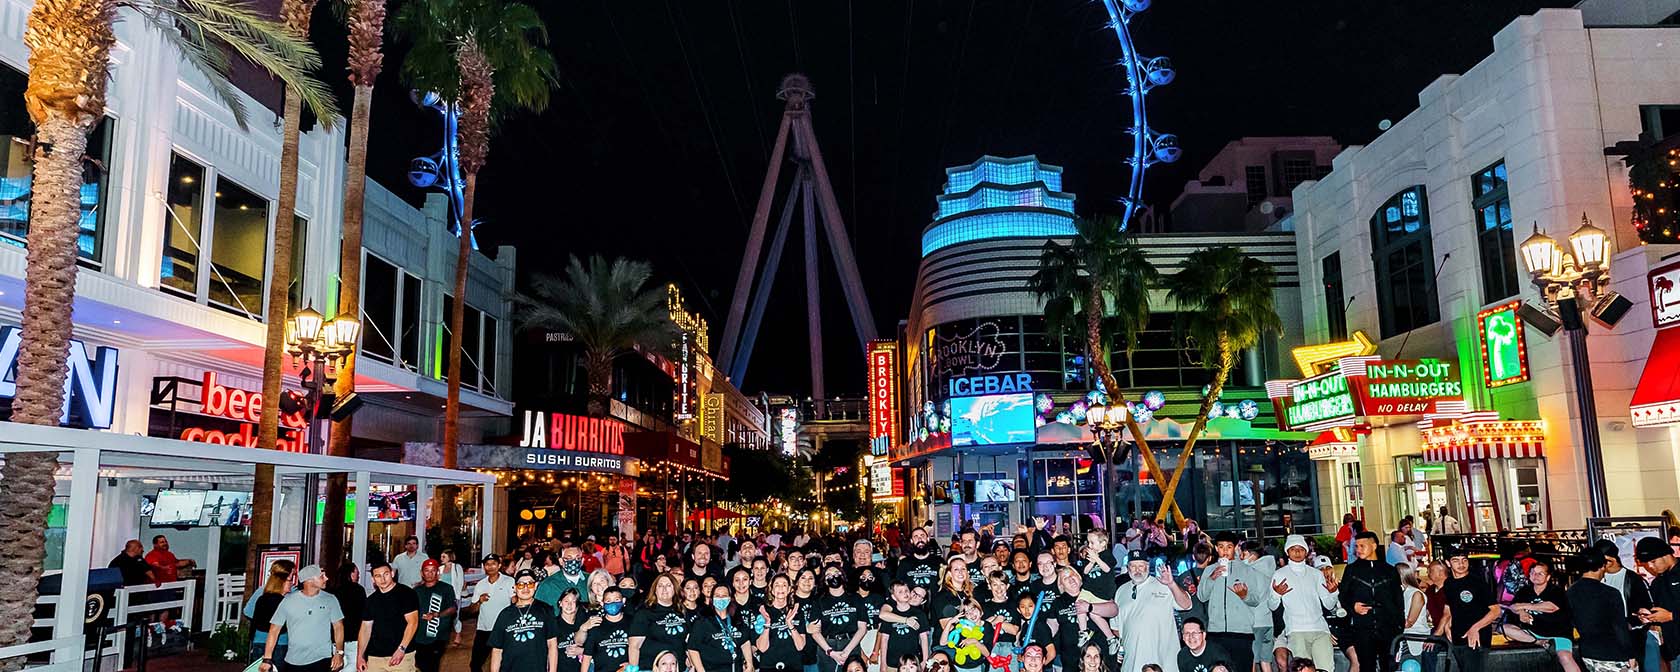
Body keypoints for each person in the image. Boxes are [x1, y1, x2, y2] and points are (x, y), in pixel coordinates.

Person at [1265, 536, 1339, 672]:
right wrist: (1276, 594)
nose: (1297, 552)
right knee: (1303, 670)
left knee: (1326, 669)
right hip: (1296, 631)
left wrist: (1333, 593)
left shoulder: (1316, 574)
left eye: (1301, 549)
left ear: (1306, 552)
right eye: (1293, 549)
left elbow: (1329, 605)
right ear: (1287, 552)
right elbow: (1272, 606)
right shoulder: (1279, 574)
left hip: (1320, 629)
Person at [1112, 550, 1190, 672]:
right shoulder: (1121, 591)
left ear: (1148, 567)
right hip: (1131, 663)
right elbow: (1116, 628)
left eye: (1141, 566)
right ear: (1128, 568)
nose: (1137, 570)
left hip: (1162, 662)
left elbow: (1186, 605)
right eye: (1133, 566)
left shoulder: (1163, 584)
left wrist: (1171, 584)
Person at [260, 565, 345, 672]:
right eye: (322, 576)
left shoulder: (330, 599)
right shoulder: (288, 601)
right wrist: (267, 659)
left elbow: (338, 627)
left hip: (322, 658)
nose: (326, 579)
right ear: (309, 580)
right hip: (293, 660)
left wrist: (339, 653)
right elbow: (274, 630)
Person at [1198, 532, 1262, 672]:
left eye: (1229, 547)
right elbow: (1202, 596)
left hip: (1242, 633)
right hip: (1216, 632)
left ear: (1235, 547)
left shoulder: (1247, 570)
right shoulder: (1209, 569)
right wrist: (1212, 578)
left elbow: (1256, 600)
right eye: (1221, 547)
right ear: (1216, 548)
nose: (1225, 551)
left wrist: (1244, 595)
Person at [1339, 532, 1400, 672]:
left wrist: (1398, 626)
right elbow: (1343, 596)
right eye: (1356, 546)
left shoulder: (1389, 570)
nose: (1358, 549)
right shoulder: (1351, 570)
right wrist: (1352, 607)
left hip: (1387, 628)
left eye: (1362, 546)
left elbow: (1398, 600)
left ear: (1373, 546)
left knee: (1389, 666)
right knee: (1366, 666)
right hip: (1363, 628)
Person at [1500, 561, 1576, 672]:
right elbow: (1513, 607)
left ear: (1548, 576)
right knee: (1504, 628)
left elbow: (1551, 607)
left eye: (1540, 574)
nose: (1536, 576)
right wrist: (1521, 613)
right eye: (1533, 573)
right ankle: (1539, 642)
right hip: (1533, 632)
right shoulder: (1524, 591)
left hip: (1558, 633)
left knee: (1565, 657)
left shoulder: (1556, 591)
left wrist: (1525, 606)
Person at [1569, 550, 1638, 672]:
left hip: (1588, 652)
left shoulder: (1571, 592)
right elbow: (1619, 627)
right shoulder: (1610, 593)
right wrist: (1630, 654)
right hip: (1613, 653)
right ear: (1602, 566)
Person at [1438, 545, 1497, 672]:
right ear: (1448, 563)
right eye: (1456, 560)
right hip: (1457, 637)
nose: (1461, 564)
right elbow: (1449, 606)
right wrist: (1447, 625)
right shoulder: (1448, 583)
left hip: (1477, 639)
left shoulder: (1477, 582)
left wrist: (1475, 628)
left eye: (1464, 560)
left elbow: (1496, 610)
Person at [489, 568, 560, 672]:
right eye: (521, 584)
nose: (525, 588)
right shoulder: (505, 614)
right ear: (515, 588)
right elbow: (497, 650)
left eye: (530, 584)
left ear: (535, 586)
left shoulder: (546, 610)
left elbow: (552, 644)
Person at [360, 560, 420, 672]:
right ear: (373, 579)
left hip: (401, 656)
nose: (382, 579)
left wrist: (401, 649)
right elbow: (365, 629)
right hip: (375, 657)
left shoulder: (407, 594)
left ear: (392, 574)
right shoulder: (371, 600)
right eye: (378, 576)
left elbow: (413, 623)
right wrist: (360, 657)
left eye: (386, 574)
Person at [811, 564, 867, 672]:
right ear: (825, 581)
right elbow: (815, 631)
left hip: (851, 643)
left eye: (836, 573)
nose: (833, 576)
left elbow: (862, 628)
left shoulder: (856, 598)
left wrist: (847, 651)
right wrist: (830, 652)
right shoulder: (819, 601)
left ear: (843, 576)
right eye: (829, 575)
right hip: (827, 646)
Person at [688, 582, 756, 672]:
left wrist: (749, 664)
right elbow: (692, 648)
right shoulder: (702, 622)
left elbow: (745, 641)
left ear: (730, 598)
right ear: (712, 599)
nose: (720, 598)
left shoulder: (737, 619)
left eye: (724, 595)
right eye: (717, 596)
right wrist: (701, 670)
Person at [1636, 536, 1680, 672]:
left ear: (1666, 554)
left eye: (1653, 561)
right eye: (1646, 563)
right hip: (1674, 650)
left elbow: (1669, 615)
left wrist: (1672, 616)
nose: (1650, 566)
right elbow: (1661, 613)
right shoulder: (1657, 583)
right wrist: (1649, 617)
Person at [629, 573, 689, 672]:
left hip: (678, 668)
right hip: (650, 668)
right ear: (655, 590)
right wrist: (633, 669)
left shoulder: (682, 612)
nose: (664, 589)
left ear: (675, 589)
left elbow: (688, 641)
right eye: (660, 586)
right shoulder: (644, 613)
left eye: (668, 585)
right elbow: (634, 646)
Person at [472, 555, 516, 672]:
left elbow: (515, 602)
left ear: (499, 565)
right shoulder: (480, 584)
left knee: (505, 663)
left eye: (493, 564)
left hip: (504, 629)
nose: (490, 567)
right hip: (484, 629)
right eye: (487, 564)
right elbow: (472, 609)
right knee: (475, 664)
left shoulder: (509, 581)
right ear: (484, 567)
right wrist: (479, 601)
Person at [756, 574, 809, 672]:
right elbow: (762, 648)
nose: (780, 588)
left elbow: (800, 646)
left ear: (789, 589)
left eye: (784, 585)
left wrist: (790, 624)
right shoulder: (763, 612)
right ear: (771, 590)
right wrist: (767, 623)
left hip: (793, 666)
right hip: (769, 666)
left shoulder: (796, 612)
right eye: (777, 585)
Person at [412, 559, 457, 672]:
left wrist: (437, 614)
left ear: (437, 572)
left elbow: (453, 608)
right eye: (426, 570)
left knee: (432, 665)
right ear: (422, 573)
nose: (430, 573)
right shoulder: (416, 590)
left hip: (438, 636)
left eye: (433, 571)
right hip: (419, 636)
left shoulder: (446, 588)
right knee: (421, 664)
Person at [248, 559, 297, 662]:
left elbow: (249, 612)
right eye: (291, 576)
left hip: (259, 639)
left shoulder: (263, 592)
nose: (292, 580)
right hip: (280, 640)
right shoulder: (292, 594)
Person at [875, 581, 930, 672]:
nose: (905, 593)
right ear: (893, 597)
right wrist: (883, 664)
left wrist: (925, 660)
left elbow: (924, 638)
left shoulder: (919, 614)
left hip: (912, 663)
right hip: (892, 662)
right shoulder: (890, 614)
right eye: (900, 592)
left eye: (906, 590)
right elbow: (884, 640)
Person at [581, 586, 633, 672]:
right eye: (608, 601)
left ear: (623, 601)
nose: (613, 603)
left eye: (616, 600)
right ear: (602, 604)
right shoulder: (596, 624)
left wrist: (632, 664)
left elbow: (640, 648)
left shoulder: (633, 622)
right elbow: (587, 656)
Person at [329, 563, 368, 663]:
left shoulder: (332, 590)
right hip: (354, 638)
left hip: (335, 639)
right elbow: (364, 614)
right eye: (357, 573)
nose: (358, 576)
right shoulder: (358, 590)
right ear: (350, 574)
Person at [438, 550, 468, 645]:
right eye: (441, 556)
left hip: (454, 596)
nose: (441, 559)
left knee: (455, 616)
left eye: (444, 557)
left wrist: (457, 596)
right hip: (443, 596)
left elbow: (460, 581)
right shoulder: (440, 568)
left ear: (449, 557)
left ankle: (458, 634)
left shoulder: (457, 567)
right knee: (442, 615)